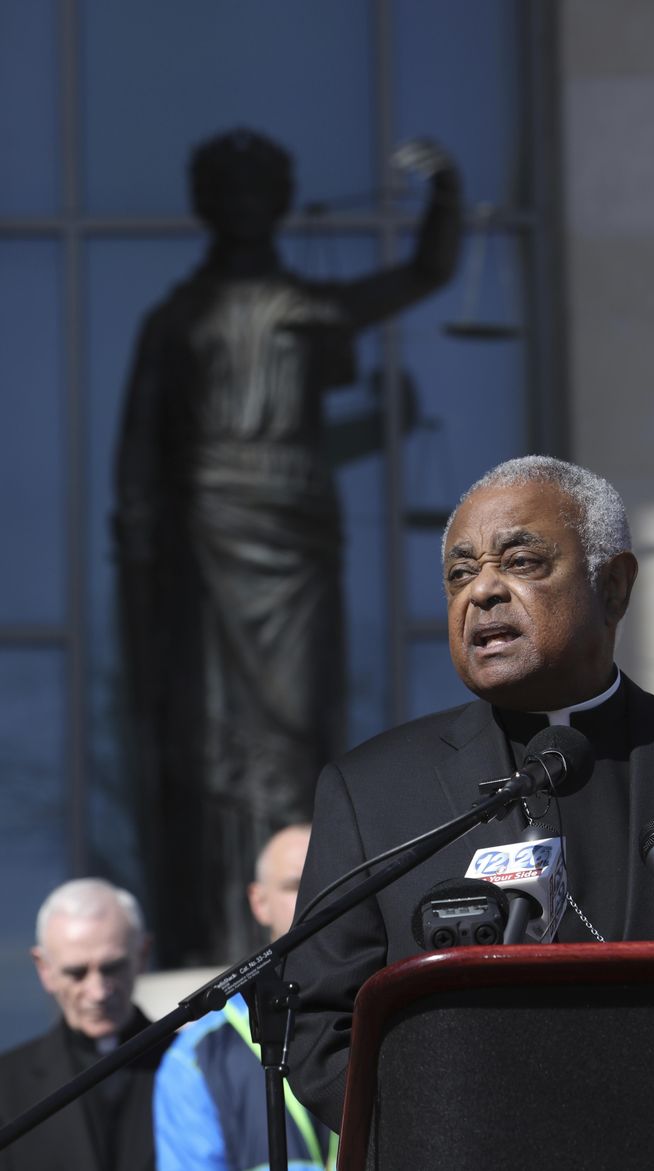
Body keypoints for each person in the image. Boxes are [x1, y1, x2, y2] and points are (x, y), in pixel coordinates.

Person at [282, 454, 654, 1132]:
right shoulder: (372, 793)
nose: (481, 592)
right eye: (460, 573)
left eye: (521, 562)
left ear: (615, 586)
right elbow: (320, 1029)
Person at [113, 128, 462, 966]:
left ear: (276, 201)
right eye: (226, 190)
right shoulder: (175, 322)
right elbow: (136, 461)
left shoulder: (309, 306)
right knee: (211, 732)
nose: (243, 206)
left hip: (296, 536)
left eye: (257, 189)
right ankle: (228, 924)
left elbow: (425, 273)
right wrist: (138, 566)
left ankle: (297, 920)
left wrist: (446, 195)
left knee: (296, 722)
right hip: (207, 542)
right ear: (207, 204)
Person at [153, 824, 336, 1170]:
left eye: (330, 880)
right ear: (259, 902)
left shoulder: (391, 1018)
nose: (314, 896)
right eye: (294, 885)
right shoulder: (197, 1057)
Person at [0, 879, 167, 1171]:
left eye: (112, 968)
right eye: (77, 973)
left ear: (142, 955)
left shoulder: (197, 1063)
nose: (99, 992)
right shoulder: (6, 1085)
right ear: (44, 969)